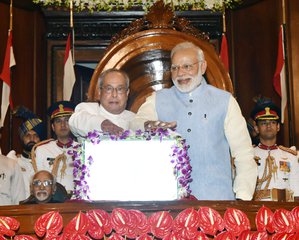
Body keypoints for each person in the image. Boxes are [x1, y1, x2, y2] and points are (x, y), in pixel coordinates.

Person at [130, 41, 257, 200]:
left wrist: (242, 198)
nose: (180, 73)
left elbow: (243, 154)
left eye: (187, 66)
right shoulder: (158, 99)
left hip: (216, 205)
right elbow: (135, 124)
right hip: (169, 206)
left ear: (202, 67)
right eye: (175, 68)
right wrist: (148, 125)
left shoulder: (225, 101)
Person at [251, 101, 299, 201]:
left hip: (284, 209)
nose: (268, 126)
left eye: (272, 122)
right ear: (256, 128)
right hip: (257, 209)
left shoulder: (291, 156)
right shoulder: (249, 155)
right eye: (264, 123)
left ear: (278, 127)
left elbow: (296, 190)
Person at [69, 69, 135, 140]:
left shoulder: (135, 119)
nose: (114, 95)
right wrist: (103, 124)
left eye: (120, 89)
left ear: (127, 92)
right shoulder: (88, 109)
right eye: (108, 89)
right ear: (100, 91)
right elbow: (75, 120)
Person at [32, 101, 77, 196]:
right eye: (58, 121)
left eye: (67, 120)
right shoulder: (42, 150)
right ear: (53, 127)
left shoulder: (82, 149)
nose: (63, 125)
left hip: (77, 201)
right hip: (52, 201)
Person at [7, 106, 45, 198]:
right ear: (22, 139)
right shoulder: (14, 161)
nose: (32, 139)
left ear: (40, 139)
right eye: (27, 135)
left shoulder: (46, 162)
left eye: (36, 135)